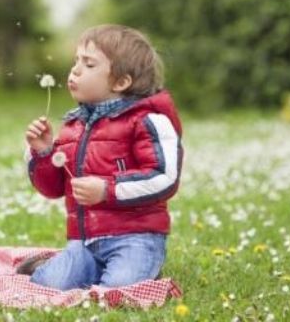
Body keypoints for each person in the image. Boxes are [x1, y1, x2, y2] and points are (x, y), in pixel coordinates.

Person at [19, 24, 183, 290]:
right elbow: (53, 189)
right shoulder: (75, 126)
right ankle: (52, 265)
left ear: (121, 82)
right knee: (47, 285)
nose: (75, 70)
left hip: (136, 238)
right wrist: (44, 152)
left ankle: (136, 265)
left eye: (89, 64)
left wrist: (108, 190)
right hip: (85, 242)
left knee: (118, 288)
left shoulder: (147, 121)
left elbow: (164, 177)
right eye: (76, 61)